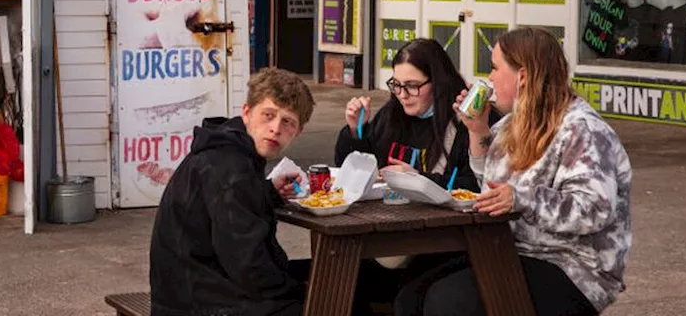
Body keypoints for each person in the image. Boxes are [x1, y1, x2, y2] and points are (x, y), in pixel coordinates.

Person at [395, 27, 632, 316]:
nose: (490, 77)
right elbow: (491, 185)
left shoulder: (582, 129)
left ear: (523, 76)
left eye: (495, 68)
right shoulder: (510, 124)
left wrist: (524, 198)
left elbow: (593, 209)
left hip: (573, 268)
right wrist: (477, 130)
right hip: (511, 250)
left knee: (447, 303)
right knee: (410, 299)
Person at [149, 67, 321, 316]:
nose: (275, 128)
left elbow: (231, 210)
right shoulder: (231, 167)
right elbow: (247, 263)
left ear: (298, 132)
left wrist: (268, 192)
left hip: (193, 290)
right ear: (247, 113)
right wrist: (297, 289)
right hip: (196, 303)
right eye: (268, 115)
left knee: (324, 281)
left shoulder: (230, 152)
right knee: (331, 299)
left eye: (287, 122)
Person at [337, 38, 495, 191]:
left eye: (412, 86)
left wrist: (418, 179)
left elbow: (476, 185)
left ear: (438, 82)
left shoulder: (467, 120)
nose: (403, 95)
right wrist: (356, 130)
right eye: (396, 84)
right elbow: (351, 172)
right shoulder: (392, 112)